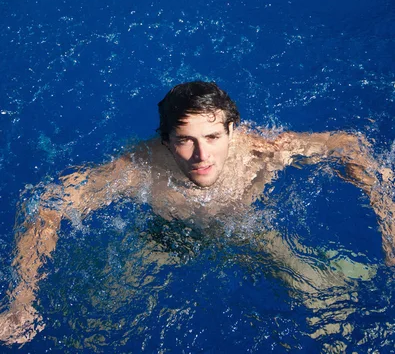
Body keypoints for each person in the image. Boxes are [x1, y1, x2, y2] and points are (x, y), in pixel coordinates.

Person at [0, 80, 394, 345]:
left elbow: (350, 147)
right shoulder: (138, 167)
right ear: (167, 141)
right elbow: (47, 207)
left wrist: (389, 226)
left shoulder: (264, 151)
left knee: (326, 307)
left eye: (212, 137)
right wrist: (21, 299)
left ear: (233, 132)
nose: (202, 156)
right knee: (95, 327)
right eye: (186, 141)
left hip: (249, 230)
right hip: (166, 236)